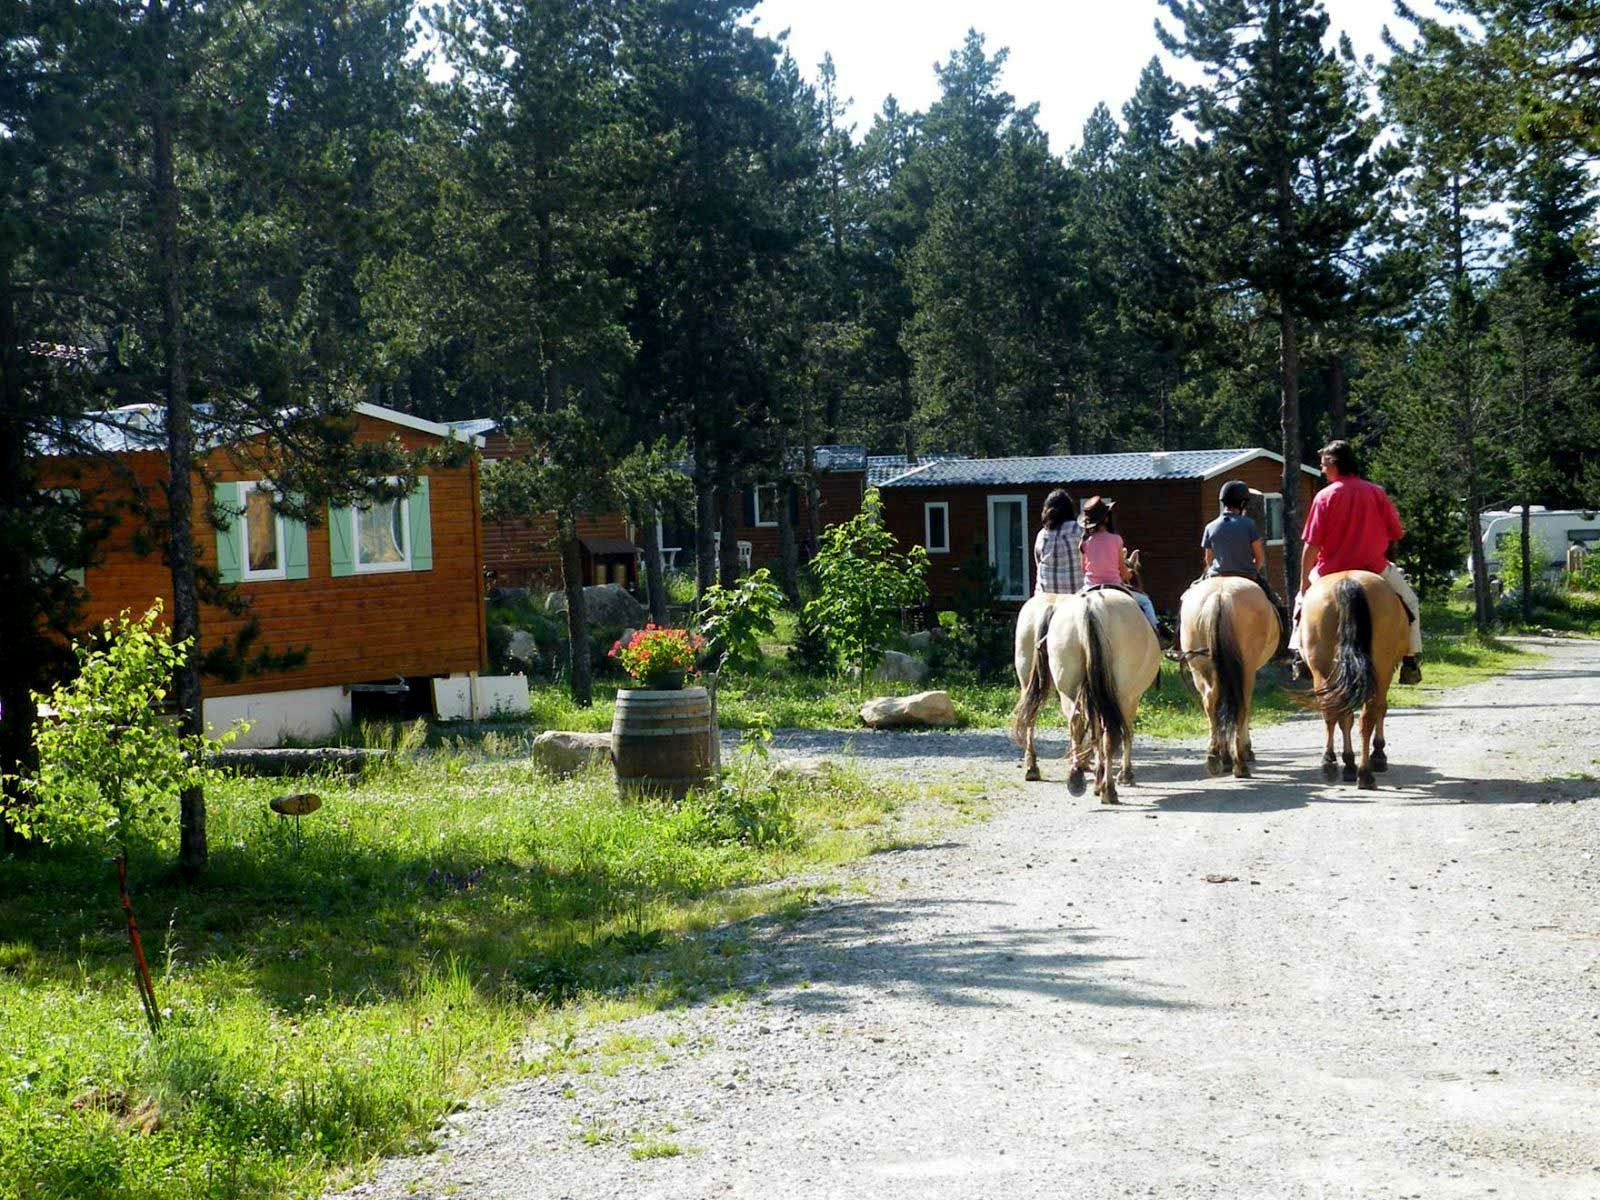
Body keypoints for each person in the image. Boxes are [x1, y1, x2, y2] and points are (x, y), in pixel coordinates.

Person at [1290, 440, 1424, 684]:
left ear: (1334, 464)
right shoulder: (1376, 492)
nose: (1321, 470)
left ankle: (1299, 655)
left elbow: (1311, 545)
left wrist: (1303, 584)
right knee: (1411, 601)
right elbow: (1396, 532)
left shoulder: (1324, 497)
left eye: (1323, 465)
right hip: (1374, 567)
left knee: (1301, 604)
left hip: (1330, 569)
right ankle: (1410, 659)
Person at [1201, 480, 1290, 633]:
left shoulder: (1210, 526)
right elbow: (1260, 558)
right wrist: (1251, 570)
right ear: (1243, 503)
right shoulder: (1249, 525)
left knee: (1187, 598)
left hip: (1216, 575)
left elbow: (1209, 559)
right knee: (1277, 604)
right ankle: (1285, 643)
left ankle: (1178, 644)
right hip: (1246, 575)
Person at [1078, 496, 1160, 631]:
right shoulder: (1116, 539)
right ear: (1106, 518)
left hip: (1089, 587)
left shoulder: (1084, 543)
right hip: (1114, 585)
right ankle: (1155, 632)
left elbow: (1084, 570)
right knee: (1145, 602)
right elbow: (1122, 569)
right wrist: (1129, 574)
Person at [1033, 489, 1083, 595]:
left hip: (1045, 596)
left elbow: (1039, 565)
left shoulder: (1042, 535)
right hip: (1076, 594)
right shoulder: (1079, 529)